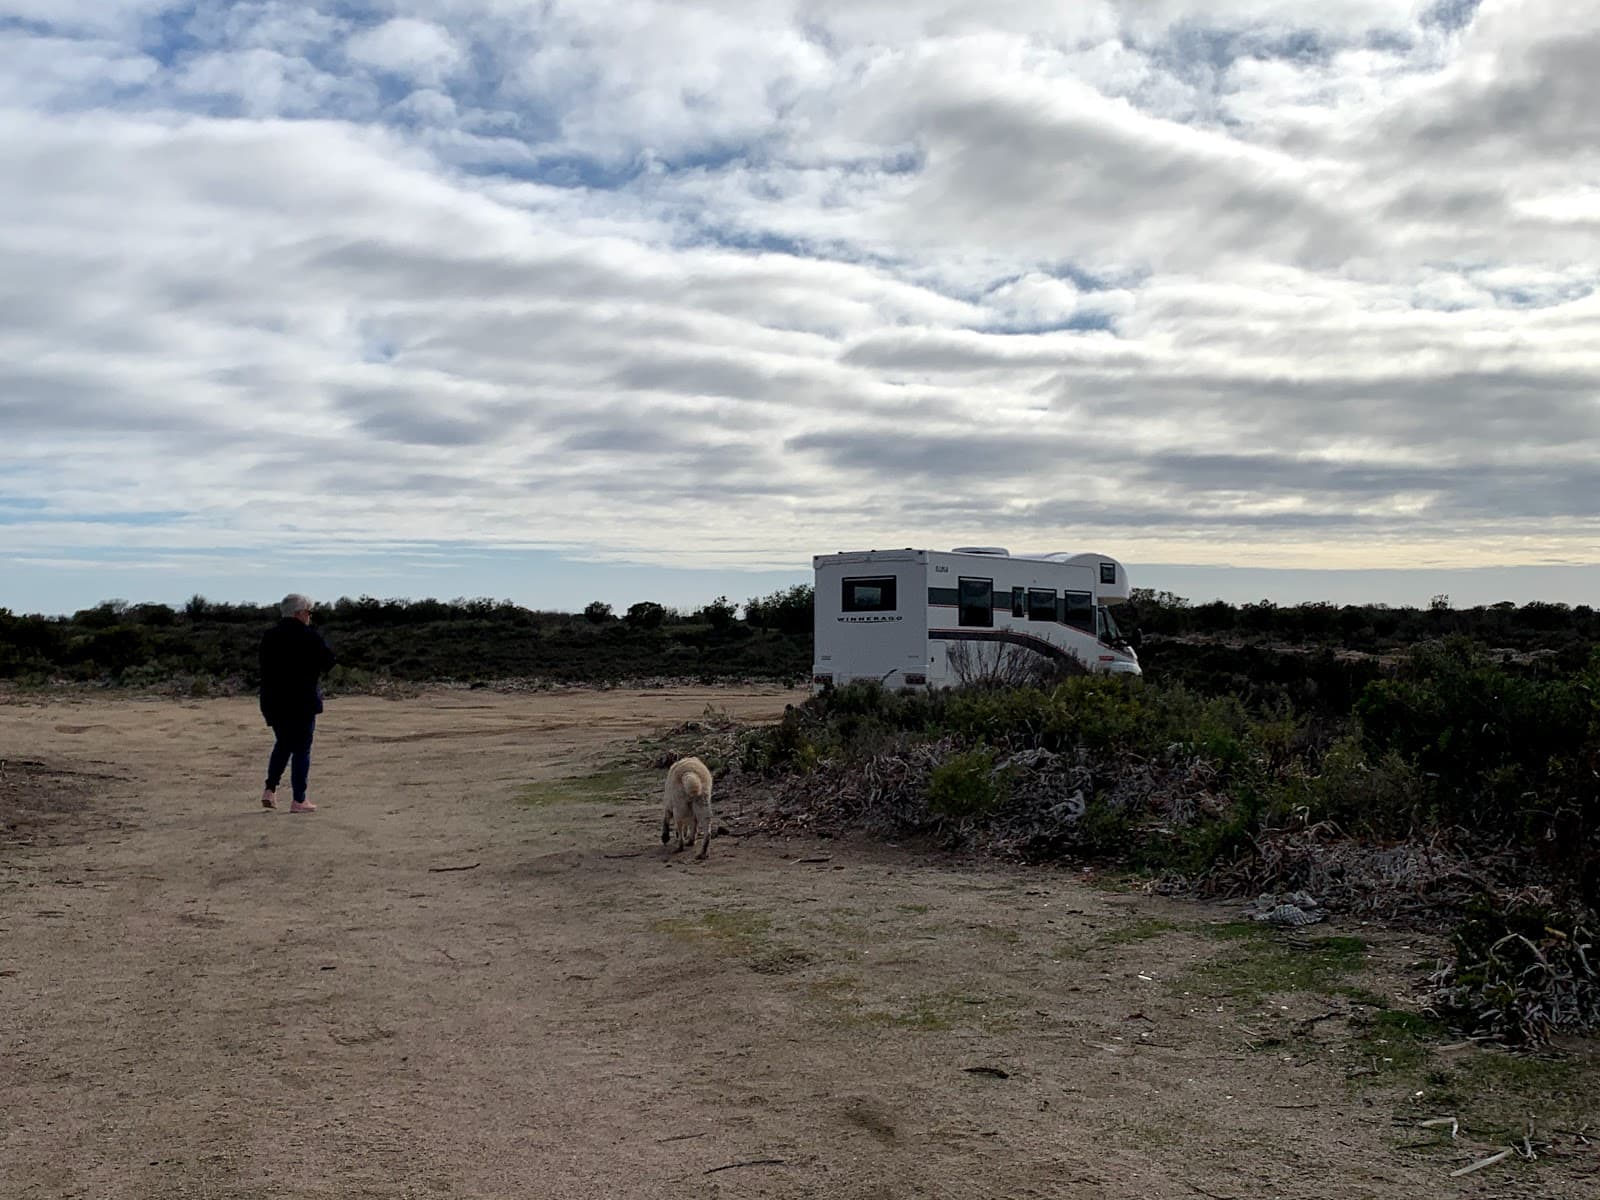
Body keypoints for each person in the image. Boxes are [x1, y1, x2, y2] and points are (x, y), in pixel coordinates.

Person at [258, 593, 336, 813]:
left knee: (283, 743)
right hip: (301, 700)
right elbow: (329, 661)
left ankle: (270, 789)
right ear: (300, 613)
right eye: (308, 612)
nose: (310, 616)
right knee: (301, 748)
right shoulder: (308, 635)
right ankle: (299, 799)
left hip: (273, 700)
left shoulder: (270, 636)